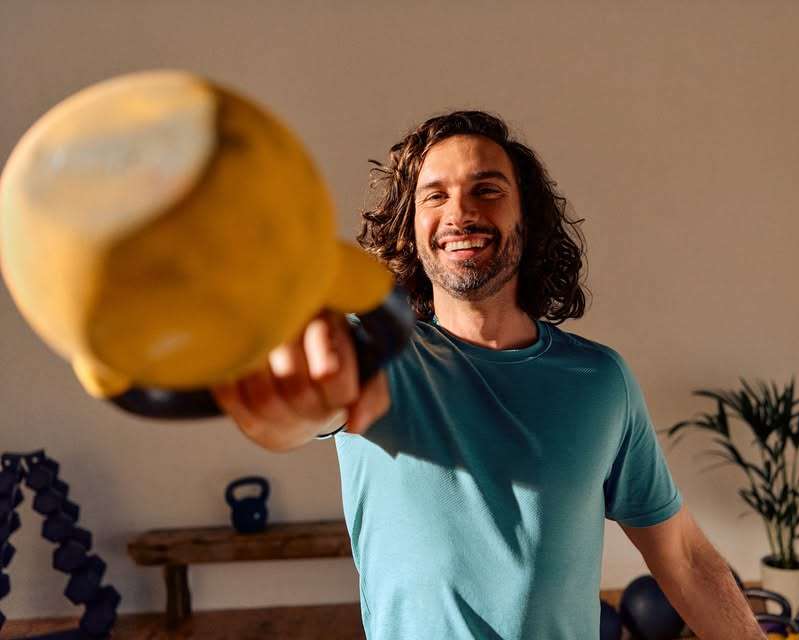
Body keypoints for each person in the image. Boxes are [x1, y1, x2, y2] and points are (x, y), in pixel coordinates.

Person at [213, 111, 765, 639]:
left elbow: (683, 556)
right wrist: (285, 405)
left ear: (526, 217)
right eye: (435, 195)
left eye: (487, 189)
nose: (460, 212)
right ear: (411, 226)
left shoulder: (599, 381)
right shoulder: (375, 353)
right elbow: (307, 410)